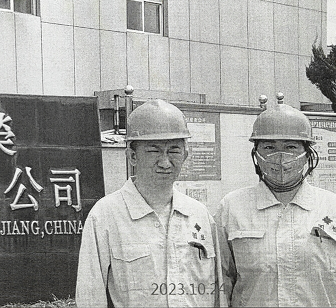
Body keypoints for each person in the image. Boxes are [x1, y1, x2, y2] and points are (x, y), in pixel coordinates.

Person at [215, 93, 336, 307]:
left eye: (291, 147)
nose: (280, 156)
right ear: (256, 154)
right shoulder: (232, 208)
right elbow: (220, 286)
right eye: (269, 147)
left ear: (307, 154)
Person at [76, 99, 226, 307]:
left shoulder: (199, 215)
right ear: (132, 156)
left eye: (173, 151)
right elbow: (90, 295)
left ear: (185, 155)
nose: (165, 162)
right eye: (154, 151)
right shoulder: (106, 216)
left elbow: (217, 293)